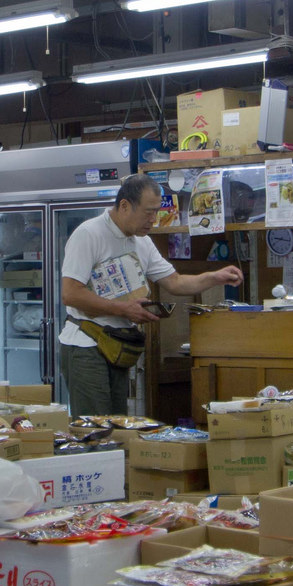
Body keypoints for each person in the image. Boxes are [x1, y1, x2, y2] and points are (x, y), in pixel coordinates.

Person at [59, 174, 243, 416]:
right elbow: (70, 294)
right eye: (148, 212)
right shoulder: (89, 234)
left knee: (117, 425)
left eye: (156, 212)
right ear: (125, 205)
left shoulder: (142, 242)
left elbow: (175, 282)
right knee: (95, 427)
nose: (154, 220)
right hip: (85, 344)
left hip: (117, 345)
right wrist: (123, 309)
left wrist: (214, 277)